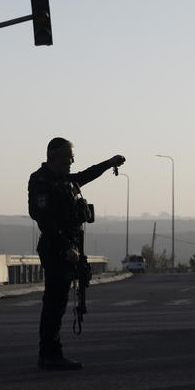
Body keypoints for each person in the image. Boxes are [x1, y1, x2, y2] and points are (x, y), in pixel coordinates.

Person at [28, 137, 125, 370]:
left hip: (70, 247)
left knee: (59, 302)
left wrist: (109, 163)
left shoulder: (64, 180)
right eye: (68, 157)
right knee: (54, 302)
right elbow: (44, 219)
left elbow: (86, 175)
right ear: (56, 157)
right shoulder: (42, 180)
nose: (72, 161)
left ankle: (52, 352)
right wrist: (65, 248)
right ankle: (49, 354)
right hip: (56, 248)